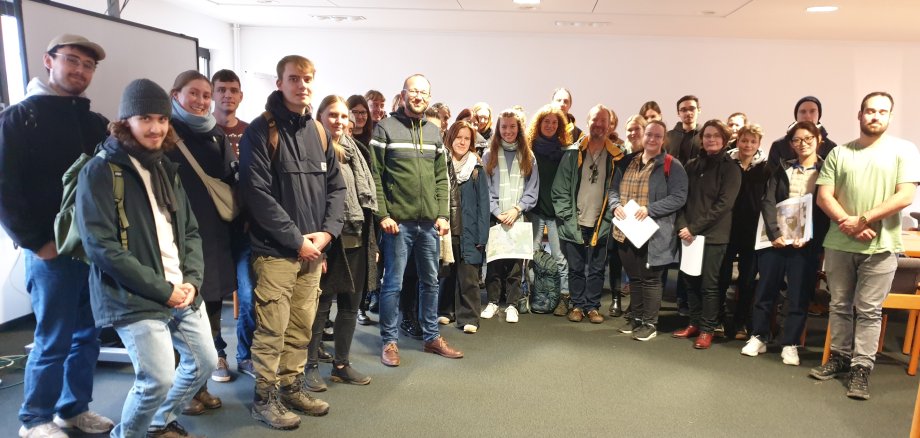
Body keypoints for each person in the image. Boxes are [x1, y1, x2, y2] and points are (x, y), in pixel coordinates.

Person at [76, 78, 216, 438]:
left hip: (181, 287)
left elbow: (190, 232)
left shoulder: (164, 167)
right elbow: (102, 247)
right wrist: (162, 290)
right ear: (125, 122)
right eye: (145, 119)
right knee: (156, 378)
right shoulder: (100, 170)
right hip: (134, 296)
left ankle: (158, 421)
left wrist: (192, 281)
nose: (156, 128)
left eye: (162, 119)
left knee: (204, 363)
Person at [0, 34, 114, 438]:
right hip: (50, 252)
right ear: (49, 61)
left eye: (88, 65)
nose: (80, 71)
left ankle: (73, 409)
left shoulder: (94, 121)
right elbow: (6, 190)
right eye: (72, 61)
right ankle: (34, 420)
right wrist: (36, 243)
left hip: (93, 250)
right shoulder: (19, 118)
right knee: (53, 339)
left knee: (88, 335)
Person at [239, 55, 345, 429]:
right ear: (280, 83)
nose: (303, 85)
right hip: (275, 253)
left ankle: (290, 387)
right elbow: (257, 194)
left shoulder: (318, 132)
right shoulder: (260, 131)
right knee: (272, 329)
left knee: (301, 326)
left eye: (308, 79)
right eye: (294, 79)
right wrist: (295, 240)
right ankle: (264, 397)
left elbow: (337, 187)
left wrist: (327, 234)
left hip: (313, 252)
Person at [810, 92, 920, 400]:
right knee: (839, 305)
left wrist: (863, 219)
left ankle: (861, 368)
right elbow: (824, 197)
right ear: (860, 115)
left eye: (881, 112)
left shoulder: (904, 150)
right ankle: (840, 356)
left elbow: (905, 196)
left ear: (889, 117)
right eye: (869, 111)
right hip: (839, 244)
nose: (875, 116)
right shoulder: (840, 153)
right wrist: (849, 222)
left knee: (870, 310)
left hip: (882, 246)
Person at [370, 74, 463, 367]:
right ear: (404, 94)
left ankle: (431, 337)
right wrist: (383, 215)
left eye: (424, 92)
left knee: (431, 283)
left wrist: (443, 214)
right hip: (398, 224)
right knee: (393, 284)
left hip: (429, 226)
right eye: (414, 91)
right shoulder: (385, 129)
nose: (419, 96)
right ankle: (389, 342)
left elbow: (441, 178)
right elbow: (375, 176)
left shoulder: (434, 133)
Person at [165, 70, 236, 414]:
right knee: (183, 318)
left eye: (206, 95)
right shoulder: (165, 134)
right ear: (176, 94)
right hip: (180, 238)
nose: (202, 101)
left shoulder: (215, 135)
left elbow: (226, 178)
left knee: (210, 310)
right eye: (194, 93)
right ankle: (184, 392)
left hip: (214, 235)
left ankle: (201, 386)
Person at [303, 95, 377, 391]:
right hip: (328, 241)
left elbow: (366, 198)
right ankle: (308, 366)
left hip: (357, 235)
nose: (340, 121)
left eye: (344, 116)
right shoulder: (312, 150)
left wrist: (374, 243)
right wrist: (318, 249)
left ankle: (341, 364)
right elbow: (310, 202)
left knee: (351, 303)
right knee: (320, 306)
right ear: (319, 116)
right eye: (332, 115)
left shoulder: (358, 150)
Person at [743, 121, 829, 365]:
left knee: (799, 294)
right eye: (797, 140)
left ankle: (790, 342)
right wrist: (774, 234)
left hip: (807, 243)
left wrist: (811, 238)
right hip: (776, 241)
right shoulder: (782, 168)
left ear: (818, 140)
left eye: (807, 139)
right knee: (766, 289)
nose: (802, 144)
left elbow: (825, 208)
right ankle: (759, 335)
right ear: (790, 144)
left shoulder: (826, 171)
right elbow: (768, 201)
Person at [610, 119, 688, 340]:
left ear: (664, 140)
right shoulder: (627, 162)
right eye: (649, 134)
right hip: (626, 231)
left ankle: (650, 323)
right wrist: (615, 205)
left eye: (658, 136)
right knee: (634, 277)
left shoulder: (672, 165)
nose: (652, 139)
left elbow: (679, 197)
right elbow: (613, 189)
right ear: (642, 136)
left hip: (653, 234)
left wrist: (650, 209)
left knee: (651, 279)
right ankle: (636, 317)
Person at [552, 104, 623, 324]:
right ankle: (577, 305)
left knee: (596, 268)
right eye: (595, 120)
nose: (599, 125)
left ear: (610, 125)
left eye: (604, 121)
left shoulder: (617, 156)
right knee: (575, 267)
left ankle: (592, 307)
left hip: (601, 222)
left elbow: (618, 190)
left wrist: (611, 218)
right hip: (575, 221)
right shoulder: (573, 152)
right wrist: (567, 217)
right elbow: (560, 189)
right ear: (588, 121)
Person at [674, 119, 741, 349]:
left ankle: (707, 328)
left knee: (709, 285)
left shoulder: (730, 168)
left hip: (713, 236)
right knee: (689, 281)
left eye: (715, 135)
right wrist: (683, 227)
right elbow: (680, 198)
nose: (710, 139)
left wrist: (694, 228)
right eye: (707, 135)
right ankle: (693, 322)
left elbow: (723, 205)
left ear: (724, 139)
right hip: (688, 234)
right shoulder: (692, 165)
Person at [211, 69, 259, 380]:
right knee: (212, 296)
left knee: (249, 294)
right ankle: (217, 354)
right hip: (211, 230)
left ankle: (245, 354)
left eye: (233, 90)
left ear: (241, 95)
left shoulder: (251, 132)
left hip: (246, 229)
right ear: (213, 94)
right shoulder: (202, 131)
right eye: (222, 89)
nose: (228, 95)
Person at [480, 109, 539, 324]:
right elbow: (485, 189)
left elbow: (532, 189)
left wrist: (517, 209)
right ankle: (493, 302)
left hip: (517, 218)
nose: (508, 131)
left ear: (519, 128)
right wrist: (497, 212)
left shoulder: (528, 155)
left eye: (512, 126)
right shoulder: (489, 155)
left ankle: (512, 304)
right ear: (498, 129)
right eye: (504, 126)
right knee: (494, 263)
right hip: (496, 217)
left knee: (515, 265)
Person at [438, 121, 490, 334]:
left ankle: (469, 317)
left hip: (470, 230)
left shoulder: (476, 168)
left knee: (468, 276)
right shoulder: (441, 164)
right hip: (447, 229)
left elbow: (484, 204)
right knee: (446, 274)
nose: (462, 141)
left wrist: (482, 235)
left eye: (466, 138)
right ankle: (445, 310)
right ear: (450, 137)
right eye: (458, 137)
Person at [719, 124, 770, 340]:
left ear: (758, 144)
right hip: (727, 228)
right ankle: (719, 320)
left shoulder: (765, 168)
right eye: (744, 140)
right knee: (721, 277)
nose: (747, 145)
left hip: (752, 231)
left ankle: (740, 322)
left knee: (748, 280)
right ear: (737, 141)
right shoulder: (725, 164)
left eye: (752, 141)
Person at [525, 104, 572, 317]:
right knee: (530, 255)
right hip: (534, 210)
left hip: (556, 213)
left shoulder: (565, 152)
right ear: (539, 124)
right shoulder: (528, 149)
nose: (551, 125)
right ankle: (536, 293)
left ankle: (563, 296)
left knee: (560, 257)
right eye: (547, 121)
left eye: (555, 122)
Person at [768, 96, 837, 164]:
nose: (807, 116)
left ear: (819, 114)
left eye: (812, 111)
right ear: (796, 116)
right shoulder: (779, 146)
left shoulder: (831, 147)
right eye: (803, 112)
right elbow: (771, 173)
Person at [666, 95, 702, 164]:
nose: (688, 113)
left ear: (699, 110)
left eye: (692, 109)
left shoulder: (705, 136)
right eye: (684, 110)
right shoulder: (668, 136)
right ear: (678, 113)